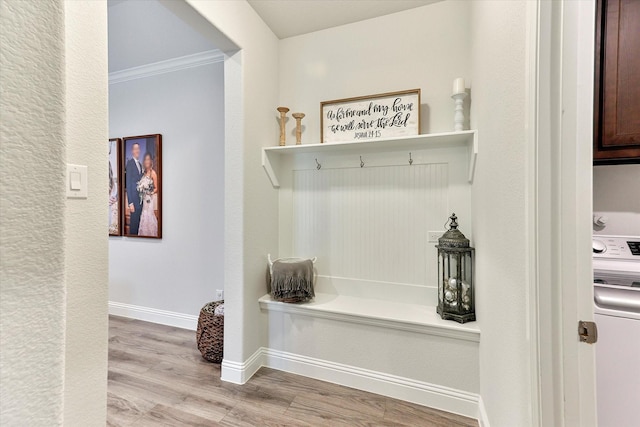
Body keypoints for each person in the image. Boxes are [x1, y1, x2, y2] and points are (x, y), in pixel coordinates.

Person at [138, 152, 158, 237]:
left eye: (148, 159)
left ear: (151, 161)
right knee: (144, 215)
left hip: (149, 199)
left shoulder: (153, 173)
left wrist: (150, 193)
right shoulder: (143, 173)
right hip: (144, 199)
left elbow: (156, 188)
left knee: (149, 215)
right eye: (145, 159)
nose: (147, 161)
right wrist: (141, 190)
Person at [125, 142, 143, 235]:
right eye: (135, 149)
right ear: (132, 151)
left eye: (138, 149)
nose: (137, 151)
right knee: (133, 225)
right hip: (133, 201)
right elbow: (128, 184)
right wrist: (130, 203)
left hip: (140, 199)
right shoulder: (130, 164)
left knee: (138, 223)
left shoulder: (140, 164)